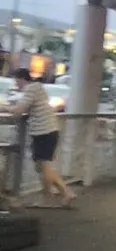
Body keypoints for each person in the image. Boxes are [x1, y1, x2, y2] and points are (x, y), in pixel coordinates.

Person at [4, 69, 74, 208]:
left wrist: (4, 108)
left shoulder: (31, 89)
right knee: (42, 166)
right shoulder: (38, 88)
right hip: (48, 130)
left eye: (16, 81)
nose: (16, 84)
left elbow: (19, 110)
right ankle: (66, 192)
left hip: (44, 132)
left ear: (22, 79)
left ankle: (48, 198)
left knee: (44, 166)